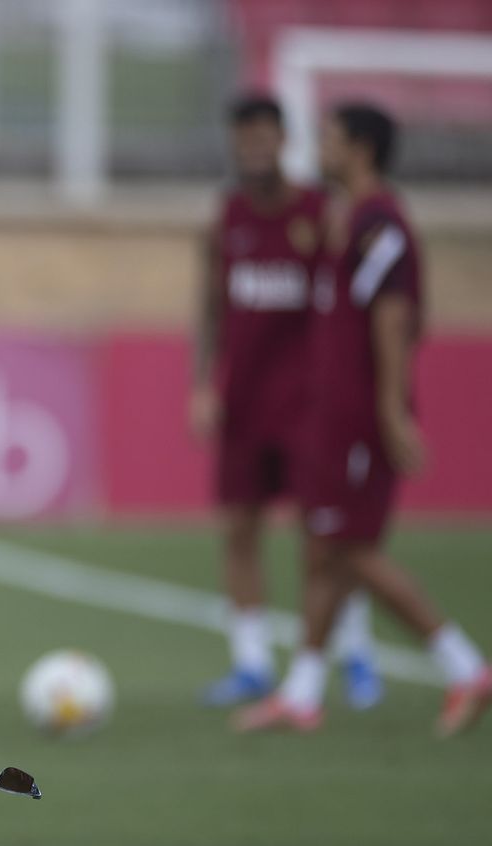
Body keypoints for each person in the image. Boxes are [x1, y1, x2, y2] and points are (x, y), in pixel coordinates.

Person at [234, 103, 491, 735]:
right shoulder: (345, 220)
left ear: (362, 149)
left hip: (357, 421)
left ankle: (465, 667)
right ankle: (301, 694)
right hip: (331, 418)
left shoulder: (383, 223)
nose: (319, 146)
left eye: (330, 136)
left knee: (350, 551)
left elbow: (394, 317)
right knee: (324, 550)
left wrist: (390, 412)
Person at [192, 93, 381, 709]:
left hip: (308, 406)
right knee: (239, 529)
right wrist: (203, 384)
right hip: (243, 404)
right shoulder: (226, 219)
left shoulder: (320, 213)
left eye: (264, 136)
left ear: (283, 140)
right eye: (243, 137)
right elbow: (210, 309)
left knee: (324, 536)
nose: (254, 148)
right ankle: (250, 664)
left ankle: (354, 653)